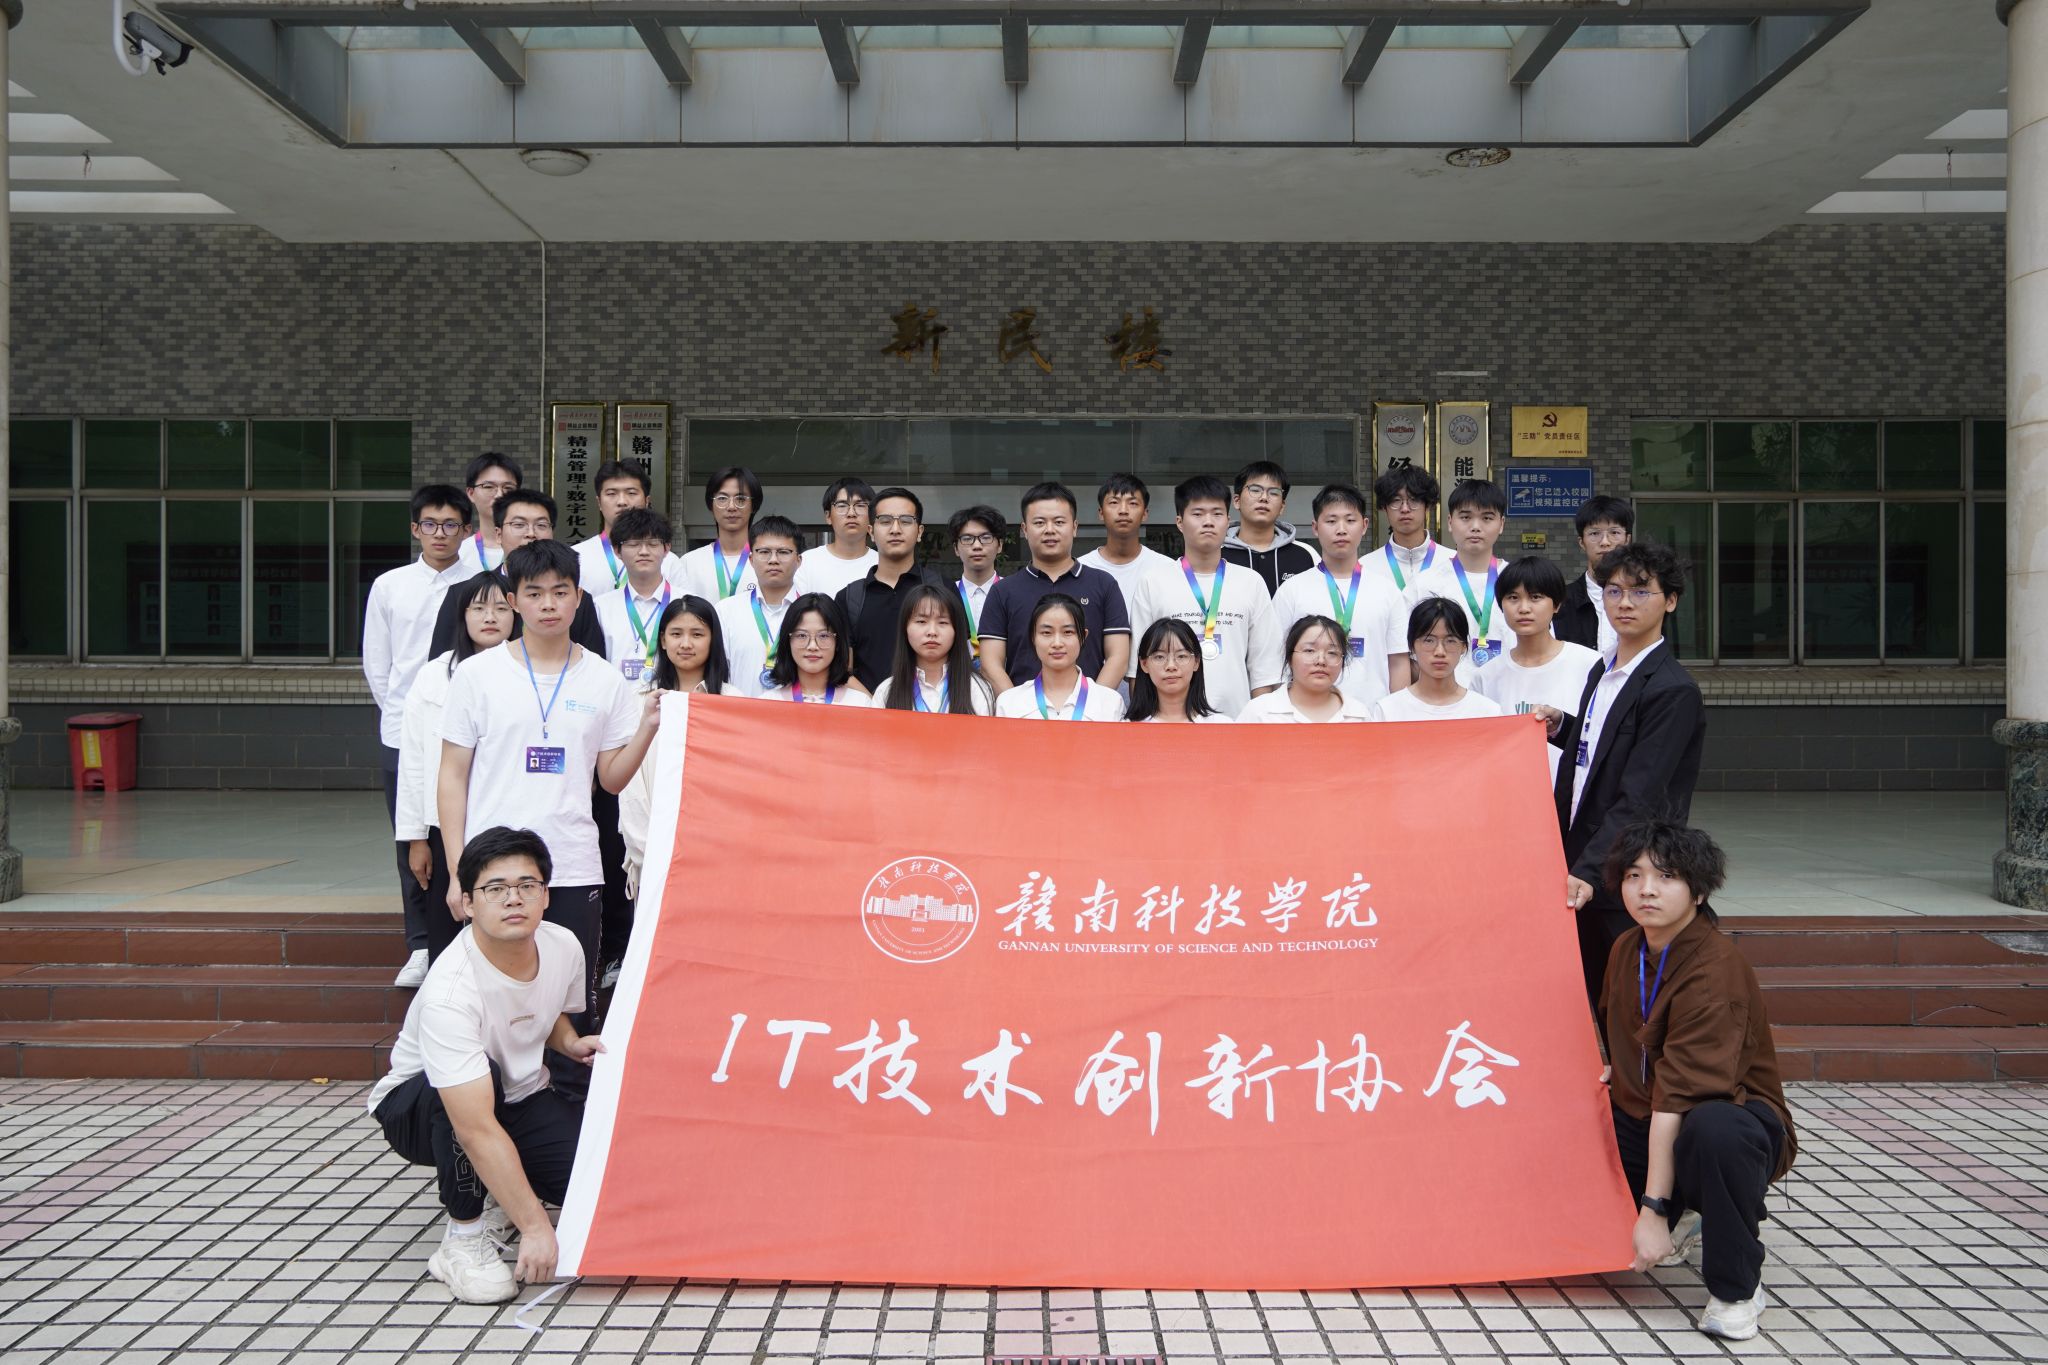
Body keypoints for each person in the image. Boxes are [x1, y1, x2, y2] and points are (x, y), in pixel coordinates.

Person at [437, 540, 659, 1051]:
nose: (548, 604)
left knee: (572, 1003)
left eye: (560, 592)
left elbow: (612, 780)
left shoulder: (604, 679)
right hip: (492, 871)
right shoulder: (477, 675)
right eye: (534, 593)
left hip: (572, 864)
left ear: (578, 597)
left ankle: (571, 1097)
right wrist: (457, 871)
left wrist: (646, 729)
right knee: (491, 1000)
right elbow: (451, 776)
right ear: (513, 601)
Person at [367, 826, 601, 1305]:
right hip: (419, 1107)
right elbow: (473, 1126)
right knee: (477, 1092)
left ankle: (500, 1190)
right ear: (468, 902)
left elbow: (546, 1012)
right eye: (495, 888)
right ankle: (464, 1237)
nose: (513, 899)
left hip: (519, 1095)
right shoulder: (450, 991)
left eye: (527, 885)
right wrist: (536, 1228)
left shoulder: (563, 946)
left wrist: (571, 1042)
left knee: (592, 1186)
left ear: (546, 896)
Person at [1599, 820, 1796, 1342]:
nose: (1646, 889)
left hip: (1727, 1117)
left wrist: (1652, 1209)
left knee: (1714, 1133)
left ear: (1699, 891)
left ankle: (1737, 1288)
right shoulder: (1627, 948)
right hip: (1649, 1112)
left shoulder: (1714, 970)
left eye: (1666, 876)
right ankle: (1685, 1208)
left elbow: (1679, 1097)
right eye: (1634, 875)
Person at [1538, 541, 1708, 1009]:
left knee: (1632, 1006)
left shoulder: (1672, 690)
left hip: (1627, 873)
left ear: (1670, 601)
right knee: (1593, 999)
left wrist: (1588, 871)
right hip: (1585, 860)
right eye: (1613, 591)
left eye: (1640, 591)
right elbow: (1605, 749)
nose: (1625, 603)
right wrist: (1564, 728)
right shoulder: (1605, 668)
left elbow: (1641, 796)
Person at [366, 486, 478, 987]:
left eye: (450, 525)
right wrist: (408, 716)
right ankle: (419, 943)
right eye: (430, 524)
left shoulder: (478, 586)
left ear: (467, 531)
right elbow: (378, 665)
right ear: (415, 529)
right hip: (406, 730)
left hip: (468, 727)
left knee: (461, 832)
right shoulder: (390, 586)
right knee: (412, 838)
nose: (439, 534)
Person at [396, 572, 517, 964]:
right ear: (462, 615)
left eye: (500, 608)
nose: (490, 617)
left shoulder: (529, 673)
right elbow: (414, 761)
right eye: (478, 608)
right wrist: (416, 837)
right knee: (450, 935)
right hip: (445, 826)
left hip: (509, 818)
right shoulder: (433, 675)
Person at [1128, 475, 1279, 717]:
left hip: (1237, 721)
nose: (1208, 522)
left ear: (1228, 521)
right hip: (1172, 725)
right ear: (1180, 522)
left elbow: (1264, 668)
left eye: (1217, 514)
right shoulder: (1153, 582)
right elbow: (1139, 666)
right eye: (1197, 514)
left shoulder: (1251, 582)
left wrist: (1260, 725)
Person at [1257, 482, 1407, 710]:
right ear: (1315, 527)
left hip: (1372, 716)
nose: (1341, 529)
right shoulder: (1292, 590)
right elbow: (1275, 661)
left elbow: (1398, 662)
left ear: (1364, 525)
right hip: (1306, 717)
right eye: (1331, 521)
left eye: (1350, 520)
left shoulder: (1387, 591)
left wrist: (1396, 716)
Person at [619, 596, 728, 901]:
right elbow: (631, 791)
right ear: (663, 641)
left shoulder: (733, 701)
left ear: (713, 640)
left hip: (716, 862)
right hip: (651, 863)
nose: (686, 643)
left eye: (697, 634)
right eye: (676, 634)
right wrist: (651, 855)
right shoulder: (638, 701)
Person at [978, 483, 1131, 694]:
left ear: (1074, 527)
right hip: (1021, 711)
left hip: (1088, 710)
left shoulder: (1104, 584)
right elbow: (990, 663)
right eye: (1039, 522)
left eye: (1059, 522)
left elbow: (1118, 657)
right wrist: (1016, 706)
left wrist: (1093, 704)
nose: (1049, 530)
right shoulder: (1003, 591)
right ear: (1025, 529)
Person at [426, 489, 607, 659]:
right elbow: (441, 665)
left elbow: (591, 665)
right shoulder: (461, 594)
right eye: (519, 524)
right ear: (498, 534)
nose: (531, 533)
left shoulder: (575, 600)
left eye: (541, 525)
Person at [1471, 556, 1601, 778]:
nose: (1524, 608)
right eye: (1513, 597)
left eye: (1536, 597)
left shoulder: (1591, 665)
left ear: (1557, 604)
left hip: (1572, 791)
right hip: (1509, 790)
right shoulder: (1485, 676)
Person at [835, 487, 948, 692]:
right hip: (868, 708)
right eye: (885, 521)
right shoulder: (849, 598)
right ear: (871, 531)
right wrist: (874, 704)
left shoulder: (942, 588)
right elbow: (843, 669)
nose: (895, 529)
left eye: (905, 521)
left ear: (919, 532)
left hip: (932, 707)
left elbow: (958, 659)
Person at [1412, 478, 1512, 683]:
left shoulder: (1518, 582)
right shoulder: (1424, 584)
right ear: (1450, 522)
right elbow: (1407, 654)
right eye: (1465, 517)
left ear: (1501, 524)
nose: (1475, 527)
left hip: (1508, 695)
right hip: (1444, 698)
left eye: (1487, 518)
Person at [1371, 597, 1507, 723]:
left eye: (1450, 641)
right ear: (1412, 646)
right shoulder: (1387, 711)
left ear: (1464, 646)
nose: (1440, 652)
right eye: (1429, 641)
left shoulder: (1488, 713)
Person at [993, 594, 1127, 720]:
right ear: (1033, 637)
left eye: (1068, 632)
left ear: (1083, 637)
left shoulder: (1110, 703)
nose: (1057, 643)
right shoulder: (1009, 703)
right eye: (1046, 632)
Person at [870, 583, 996, 715]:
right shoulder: (886, 692)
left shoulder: (977, 689)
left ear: (956, 631)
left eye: (942, 622)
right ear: (905, 628)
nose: (932, 632)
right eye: (921, 621)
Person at [716, 514, 804, 698]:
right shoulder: (725, 611)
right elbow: (715, 673)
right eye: (764, 552)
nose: (773, 560)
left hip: (797, 713)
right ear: (751, 559)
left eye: (783, 552)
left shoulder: (813, 613)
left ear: (798, 560)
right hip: (739, 712)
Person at [590, 508, 674, 686]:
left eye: (653, 544)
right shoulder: (600, 608)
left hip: (671, 698)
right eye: (633, 544)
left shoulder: (684, 602)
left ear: (667, 548)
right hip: (616, 701)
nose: (643, 551)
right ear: (617, 551)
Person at [1236, 615, 1375, 723]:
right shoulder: (1258, 713)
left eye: (1332, 653)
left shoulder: (1359, 715)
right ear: (1289, 657)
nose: (1321, 661)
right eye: (1309, 651)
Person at [575, 460, 679, 596]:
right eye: (611, 494)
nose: (622, 502)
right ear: (599, 502)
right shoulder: (577, 557)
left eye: (631, 493)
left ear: (647, 501)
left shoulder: (668, 561)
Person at [1222, 459, 1320, 592]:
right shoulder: (1218, 553)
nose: (1264, 498)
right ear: (1237, 501)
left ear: (1282, 506)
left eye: (1274, 492)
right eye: (1255, 490)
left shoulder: (1306, 554)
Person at [1077, 473, 1174, 605]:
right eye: (1114, 502)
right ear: (1101, 513)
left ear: (1145, 514)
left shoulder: (1166, 568)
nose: (1123, 510)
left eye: (1133, 503)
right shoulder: (1081, 568)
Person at [1361, 464, 1449, 607]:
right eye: (1396, 501)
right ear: (1384, 508)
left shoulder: (1451, 562)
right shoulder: (1366, 566)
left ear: (1427, 506)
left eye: (1414, 500)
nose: (1405, 509)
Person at [1558, 495, 1635, 656]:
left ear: (1627, 539)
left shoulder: (1644, 599)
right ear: (1581, 542)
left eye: (1614, 532)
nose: (1605, 542)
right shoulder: (1560, 602)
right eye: (1594, 533)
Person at [764, 593, 872, 706]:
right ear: (788, 641)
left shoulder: (860, 703)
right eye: (802, 635)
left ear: (838, 642)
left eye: (823, 636)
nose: (812, 646)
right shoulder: (768, 703)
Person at [673, 466, 761, 602]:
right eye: (722, 498)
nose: (731, 507)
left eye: (740, 499)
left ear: (753, 506)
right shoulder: (689, 563)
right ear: (711, 505)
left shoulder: (768, 561)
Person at [1126, 619, 1229, 723]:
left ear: (1196, 662)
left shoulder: (1221, 725)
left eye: (1181, 656)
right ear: (1144, 664)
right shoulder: (1127, 727)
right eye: (1160, 657)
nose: (1171, 666)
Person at [796, 476, 879, 596]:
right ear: (828, 516)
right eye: (842, 506)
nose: (851, 513)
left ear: (872, 515)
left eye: (860, 505)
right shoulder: (806, 563)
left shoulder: (882, 564)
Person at [948, 505, 1006, 672]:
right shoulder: (947, 593)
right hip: (956, 679)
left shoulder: (1012, 592)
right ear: (956, 548)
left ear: (1000, 545)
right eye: (967, 539)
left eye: (986, 538)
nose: (977, 546)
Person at [455, 454, 522, 574]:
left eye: (508, 488)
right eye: (489, 486)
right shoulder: (458, 553)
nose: (499, 495)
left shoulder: (530, 549)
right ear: (471, 493)